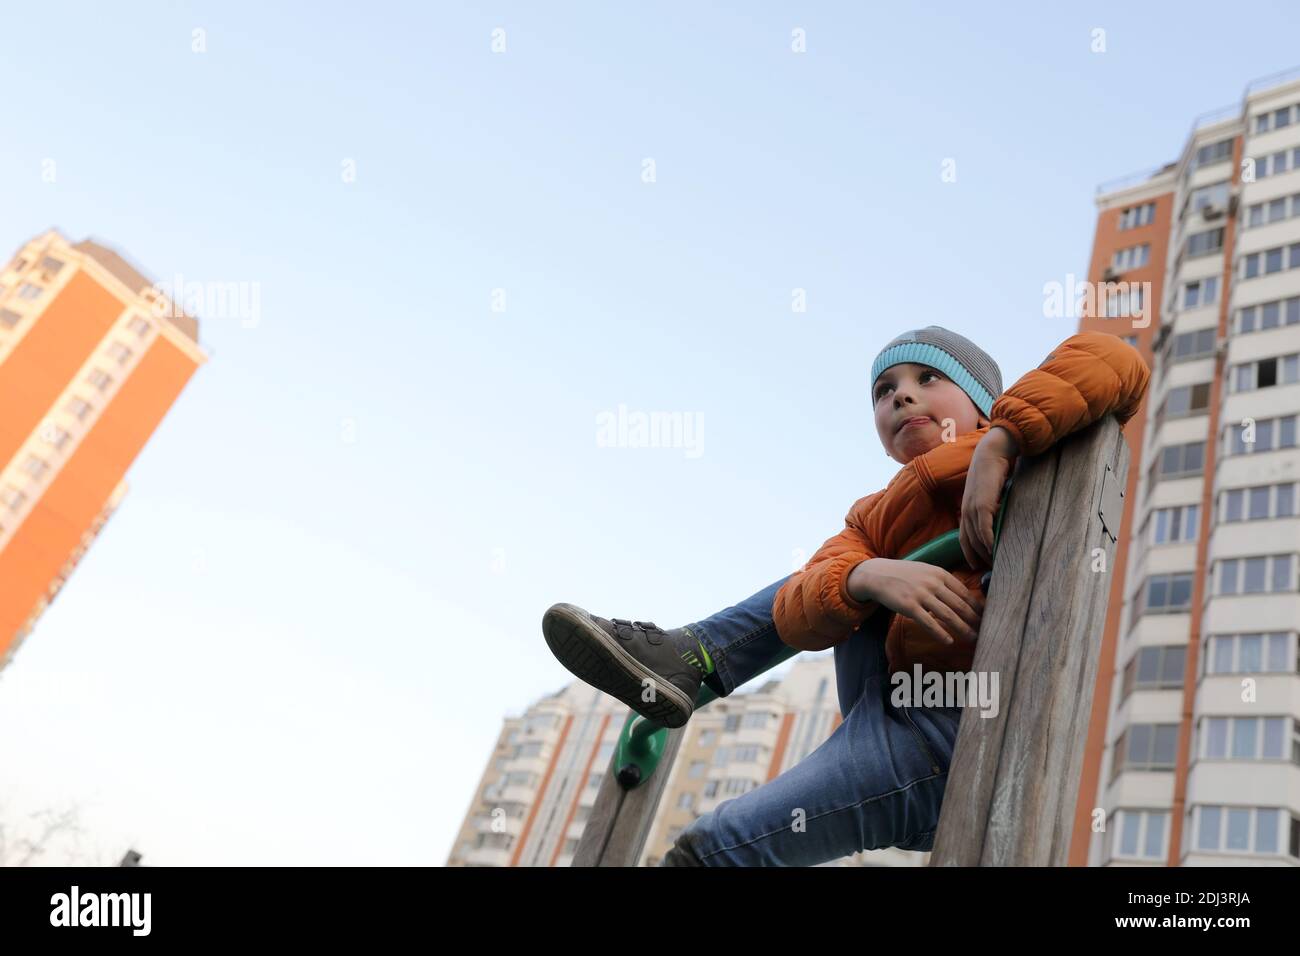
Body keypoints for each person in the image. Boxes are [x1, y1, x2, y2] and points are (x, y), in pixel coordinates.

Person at [542, 326, 1150, 865]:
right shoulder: (870, 519)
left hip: (967, 731)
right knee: (832, 578)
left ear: (982, 400)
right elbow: (801, 607)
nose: (901, 396)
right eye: (883, 391)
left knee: (721, 846)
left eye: (927, 378)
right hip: (879, 719)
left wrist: (1003, 441)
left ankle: (692, 655)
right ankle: (689, 656)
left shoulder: (1030, 451)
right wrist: (871, 576)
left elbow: (1116, 358)